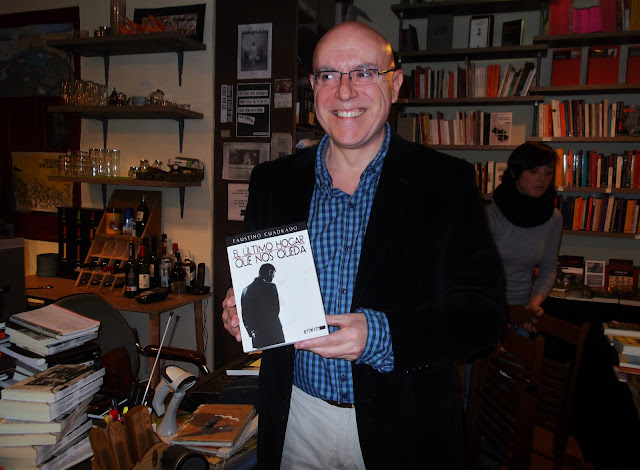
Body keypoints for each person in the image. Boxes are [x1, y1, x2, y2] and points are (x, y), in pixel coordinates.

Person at [222, 21, 506, 469]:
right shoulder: (272, 182)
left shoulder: (446, 183)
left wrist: (381, 336)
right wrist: (240, 305)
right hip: (295, 418)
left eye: (365, 72)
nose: (345, 91)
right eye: (329, 74)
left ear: (395, 84)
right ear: (313, 86)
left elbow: (483, 317)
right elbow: (261, 282)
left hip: (403, 427)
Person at [486, 141, 562, 331]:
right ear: (515, 173)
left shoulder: (553, 217)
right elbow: (473, 268)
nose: (542, 179)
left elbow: (549, 266)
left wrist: (533, 305)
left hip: (523, 309)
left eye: (548, 172)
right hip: (487, 307)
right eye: (534, 171)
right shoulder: (491, 215)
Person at [241, 263, 285, 348]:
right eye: (272, 273)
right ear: (268, 273)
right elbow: (276, 309)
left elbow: (245, 315)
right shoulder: (270, 287)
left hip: (261, 333)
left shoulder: (246, 290)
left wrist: (251, 331)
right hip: (271, 332)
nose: (273, 276)